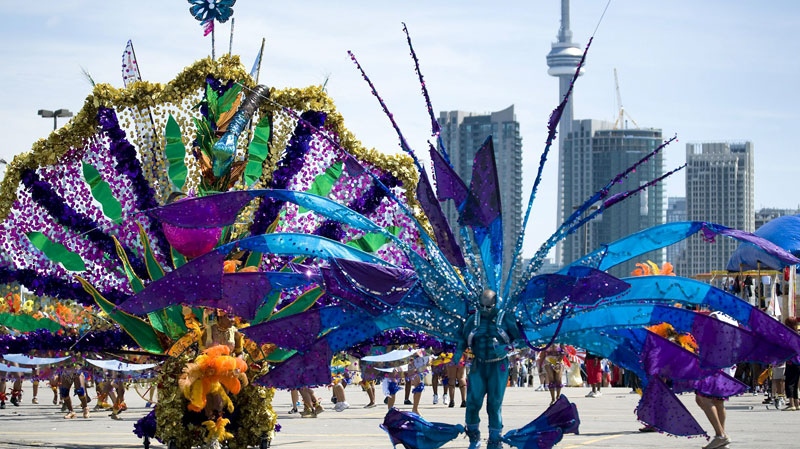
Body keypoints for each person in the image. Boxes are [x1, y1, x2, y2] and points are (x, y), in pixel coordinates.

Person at [462, 289, 523, 449]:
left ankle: (495, 441)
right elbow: (461, 338)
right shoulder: (472, 319)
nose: (484, 309)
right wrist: (456, 355)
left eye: (488, 307)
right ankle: (474, 438)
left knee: (494, 404)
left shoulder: (505, 318)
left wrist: (507, 348)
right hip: (478, 364)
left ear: (495, 304)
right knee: (473, 403)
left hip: (498, 364)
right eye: (481, 306)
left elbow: (521, 340)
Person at [783, 317, 800, 411]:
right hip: (799, 362)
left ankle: (791, 404)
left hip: (791, 362)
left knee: (789, 383)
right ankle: (797, 404)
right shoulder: (797, 335)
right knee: (795, 383)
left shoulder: (789, 336)